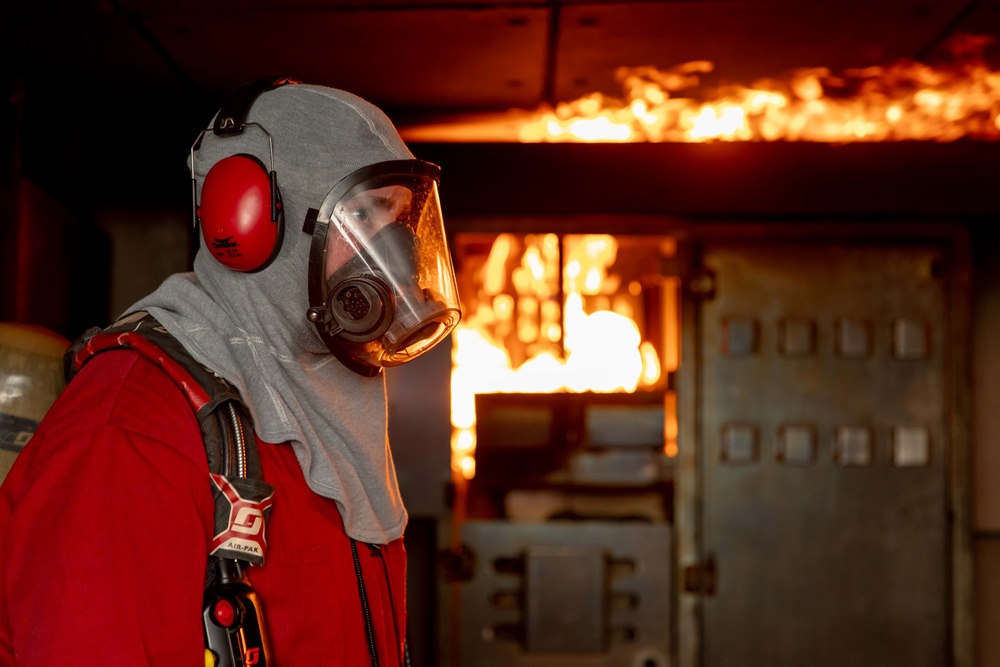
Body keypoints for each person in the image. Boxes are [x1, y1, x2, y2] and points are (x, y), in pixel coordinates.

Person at [0, 77, 462, 665]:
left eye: (400, 219)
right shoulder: (134, 426)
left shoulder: (331, 408)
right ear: (246, 221)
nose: (395, 250)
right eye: (367, 214)